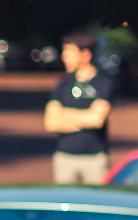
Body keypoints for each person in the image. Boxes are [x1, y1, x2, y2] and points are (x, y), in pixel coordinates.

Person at [45, 31, 115, 184]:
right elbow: (51, 122)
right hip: (65, 157)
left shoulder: (103, 83)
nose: (64, 57)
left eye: (69, 53)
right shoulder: (62, 84)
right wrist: (85, 117)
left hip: (95, 159)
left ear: (85, 55)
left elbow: (96, 120)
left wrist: (65, 115)